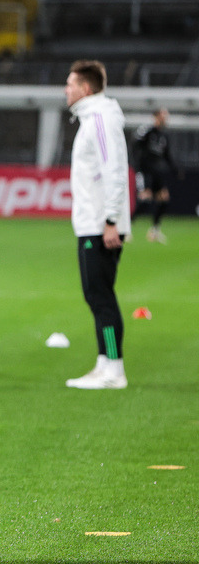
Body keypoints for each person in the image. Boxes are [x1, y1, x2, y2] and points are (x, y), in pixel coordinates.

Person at [63, 60, 130, 389]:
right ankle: (106, 363)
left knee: (100, 296)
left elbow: (114, 170)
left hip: (100, 226)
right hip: (94, 223)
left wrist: (110, 221)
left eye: (70, 84)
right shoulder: (94, 118)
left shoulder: (100, 119)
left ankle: (114, 369)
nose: (66, 90)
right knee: (97, 295)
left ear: (85, 89)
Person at [131, 108, 178, 243]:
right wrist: (137, 165)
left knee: (164, 199)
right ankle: (125, 228)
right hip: (145, 170)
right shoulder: (146, 131)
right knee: (145, 199)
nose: (166, 118)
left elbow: (167, 155)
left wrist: (175, 169)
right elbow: (135, 145)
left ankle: (154, 231)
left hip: (157, 171)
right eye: (164, 116)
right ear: (156, 117)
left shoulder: (163, 136)